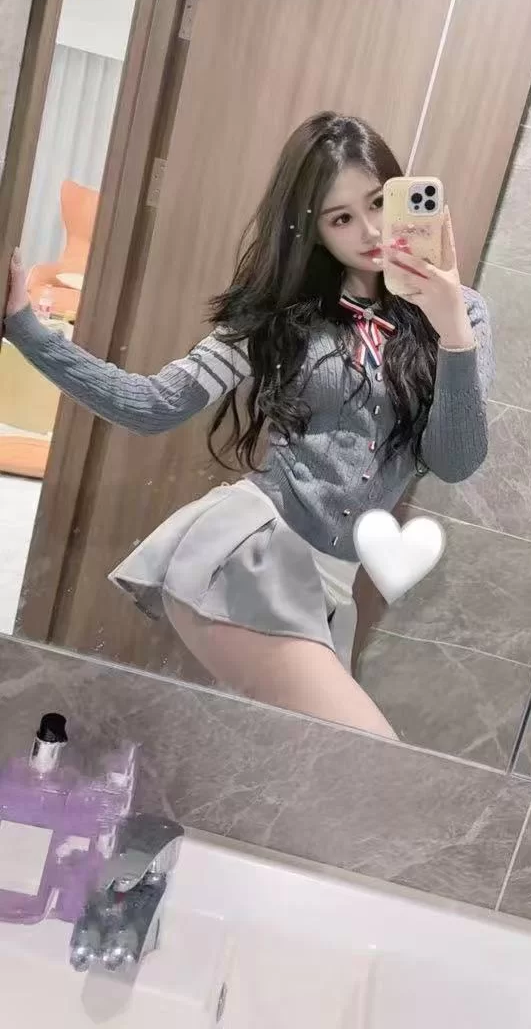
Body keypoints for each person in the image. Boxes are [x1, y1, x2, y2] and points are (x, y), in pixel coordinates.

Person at [3, 112, 493, 739]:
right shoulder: (280, 319)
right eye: (341, 218)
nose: (370, 231)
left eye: (378, 203)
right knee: (370, 753)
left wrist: (451, 330)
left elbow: (455, 460)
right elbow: (153, 405)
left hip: (330, 586)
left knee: (306, 771)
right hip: (259, 556)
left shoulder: (464, 314)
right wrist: (26, 328)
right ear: (314, 232)